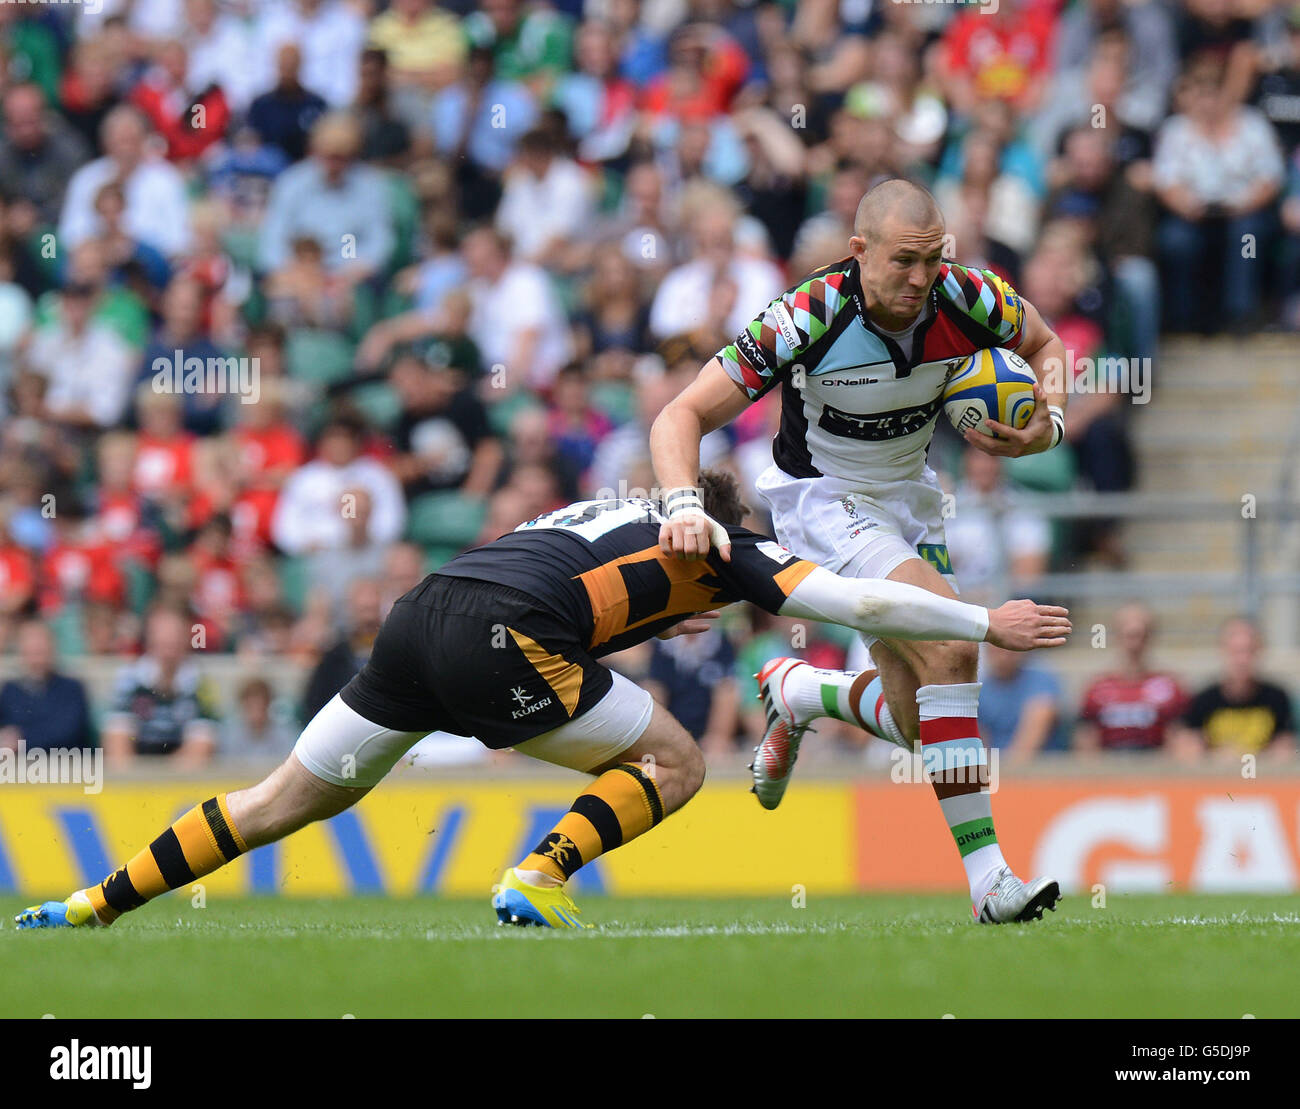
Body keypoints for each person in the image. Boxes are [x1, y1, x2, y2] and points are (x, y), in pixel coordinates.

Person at [16, 471, 1069, 932]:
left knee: (279, 799)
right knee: (677, 763)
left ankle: (90, 903)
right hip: (502, 637)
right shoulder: (731, 548)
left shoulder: (611, 508)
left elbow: (596, 583)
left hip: (419, 612)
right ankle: (539, 870)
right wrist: (983, 622)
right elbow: (855, 594)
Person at [650, 178, 1071, 920]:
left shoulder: (968, 296)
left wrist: (1052, 422)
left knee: (919, 722)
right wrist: (684, 503)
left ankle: (800, 692)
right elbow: (680, 413)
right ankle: (991, 882)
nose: (921, 279)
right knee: (953, 647)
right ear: (858, 252)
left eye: (934, 259)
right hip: (822, 500)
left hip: (912, 499)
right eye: (904, 261)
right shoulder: (806, 316)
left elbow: (1045, 345)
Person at [1174, 617, 1297, 763]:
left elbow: (1285, 747)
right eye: (1236, 651)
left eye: (1249, 651)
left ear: (1260, 651)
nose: (1242, 660)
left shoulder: (1276, 697)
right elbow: (1186, 746)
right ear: (1222, 650)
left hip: (1259, 779)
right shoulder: (1204, 700)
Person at [1074, 603, 1187, 753]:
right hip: (1108, 767)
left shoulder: (1170, 686)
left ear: (1150, 635)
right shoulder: (1097, 687)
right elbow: (1086, 742)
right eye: (1128, 633)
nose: (1134, 642)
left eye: (1141, 634)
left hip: (1154, 767)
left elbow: (1178, 741)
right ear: (1116, 634)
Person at [0, 620, 94, 752]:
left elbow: (68, 733)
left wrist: (21, 739)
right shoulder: (10, 691)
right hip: (21, 767)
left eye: (41, 645)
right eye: (31, 646)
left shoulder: (72, 689)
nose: (37, 650)